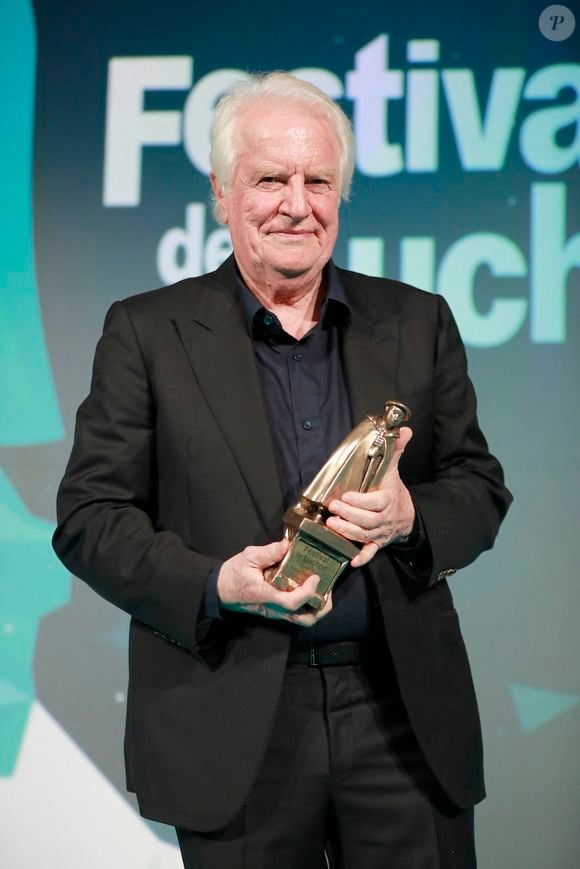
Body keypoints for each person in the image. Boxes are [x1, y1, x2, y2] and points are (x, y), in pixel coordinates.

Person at [53, 72, 512, 869]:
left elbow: (477, 485)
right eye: (271, 179)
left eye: (319, 181)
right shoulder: (147, 332)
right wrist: (214, 583)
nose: (296, 203)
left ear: (340, 194)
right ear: (223, 195)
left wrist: (409, 518)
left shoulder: (415, 320)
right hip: (233, 718)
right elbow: (90, 517)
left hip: (400, 715)